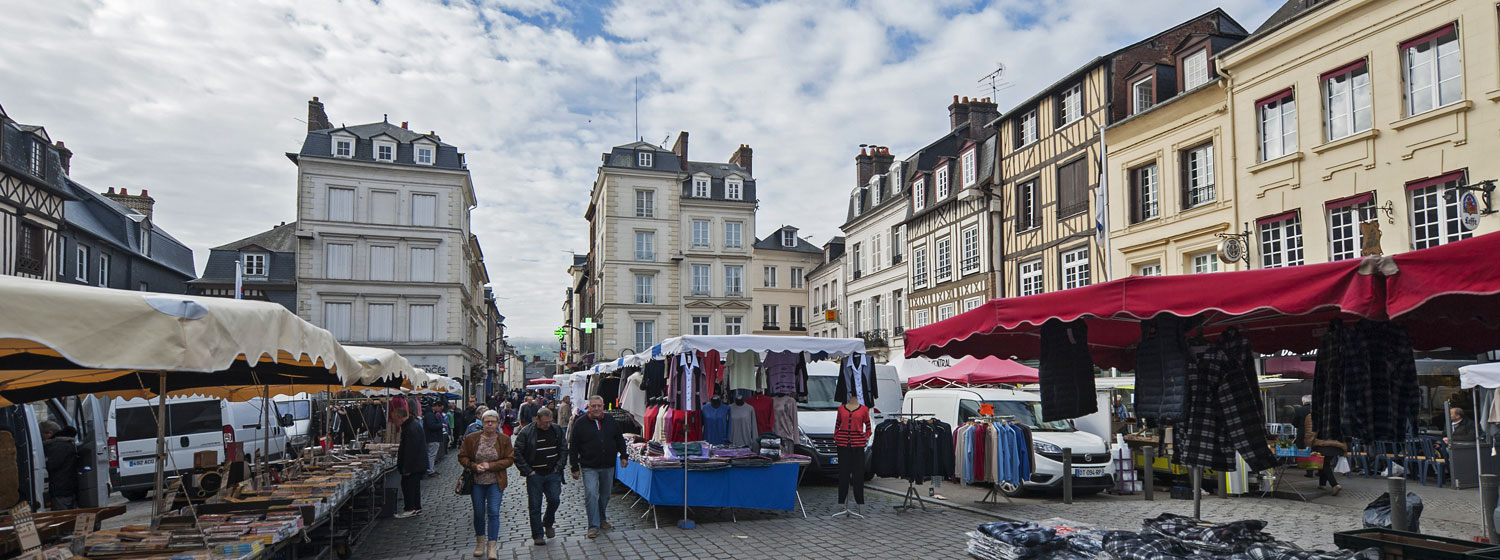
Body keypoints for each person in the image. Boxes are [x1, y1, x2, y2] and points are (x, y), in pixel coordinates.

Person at [568, 396, 628, 538]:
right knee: (591, 494)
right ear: (589, 407)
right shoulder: (580, 423)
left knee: (606, 495)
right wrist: (574, 466)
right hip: (589, 466)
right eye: (593, 406)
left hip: (608, 465)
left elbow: (619, 439)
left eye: (599, 406)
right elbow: (573, 446)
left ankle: (602, 519)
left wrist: (624, 456)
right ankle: (593, 526)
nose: (596, 408)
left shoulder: (610, 420)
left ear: (603, 406)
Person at [459, 410, 514, 559]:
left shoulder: (503, 439)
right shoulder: (472, 438)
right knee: (478, 512)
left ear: (497, 423)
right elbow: (462, 456)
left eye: (493, 421)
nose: (489, 424)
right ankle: (479, 542)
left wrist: (491, 466)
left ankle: (492, 546)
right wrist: (473, 466)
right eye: (486, 421)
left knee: (493, 512)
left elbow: (509, 459)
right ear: (482, 423)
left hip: (496, 481)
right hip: (477, 481)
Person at [515, 408, 567, 545]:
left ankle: (548, 522)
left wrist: (559, 466)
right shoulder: (526, 432)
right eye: (545, 423)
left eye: (550, 422)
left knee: (554, 500)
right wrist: (528, 471)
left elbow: (563, 448)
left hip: (552, 472)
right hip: (535, 474)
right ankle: (537, 535)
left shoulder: (555, 430)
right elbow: (517, 453)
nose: (547, 425)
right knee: (535, 506)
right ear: (537, 419)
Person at [1301, 412, 1348, 495]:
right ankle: (1322, 484)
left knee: (1324, 464)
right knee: (1324, 463)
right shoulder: (1335, 414)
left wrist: (1308, 447)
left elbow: (1310, 434)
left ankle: (1335, 485)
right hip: (1336, 444)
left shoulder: (1312, 415)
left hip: (1322, 444)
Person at [393, 405, 426, 518]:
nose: (394, 422)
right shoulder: (413, 426)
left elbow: (410, 450)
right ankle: (416, 507)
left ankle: (410, 508)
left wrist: (406, 467)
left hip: (413, 465)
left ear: (400, 417)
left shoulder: (410, 428)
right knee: (414, 486)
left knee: (409, 486)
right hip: (417, 464)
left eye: (395, 419)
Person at [39, 421, 79, 511]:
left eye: (41, 435)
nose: (40, 438)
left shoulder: (57, 446)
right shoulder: (66, 444)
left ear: (50, 433)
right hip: (68, 489)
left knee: (61, 518)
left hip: (60, 490)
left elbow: (50, 465)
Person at [424, 401, 445, 477]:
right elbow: (431, 426)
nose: (440, 410)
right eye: (440, 408)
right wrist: (441, 425)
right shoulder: (430, 415)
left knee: (431, 454)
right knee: (431, 455)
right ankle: (430, 470)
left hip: (432, 437)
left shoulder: (430, 414)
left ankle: (431, 469)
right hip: (432, 438)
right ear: (436, 406)